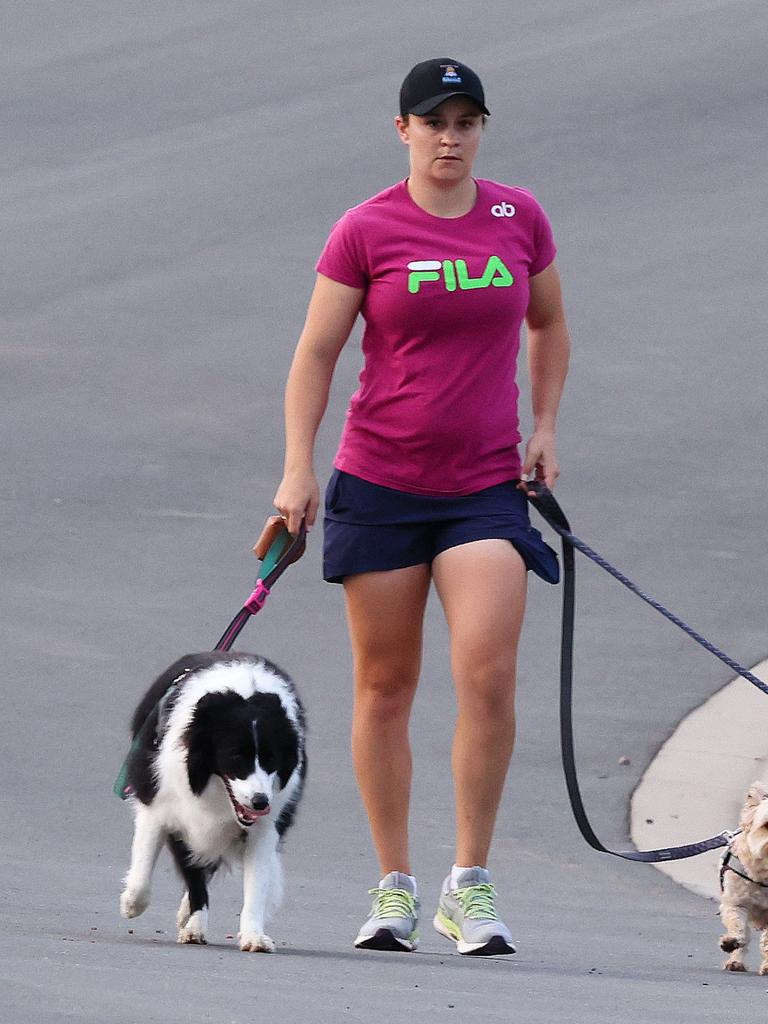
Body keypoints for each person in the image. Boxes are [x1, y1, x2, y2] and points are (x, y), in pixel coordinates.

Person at [273, 57, 570, 956]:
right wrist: (298, 468)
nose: (451, 137)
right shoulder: (367, 229)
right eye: (434, 122)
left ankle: (468, 883)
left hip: (485, 485)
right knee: (385, 686)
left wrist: (544, 424)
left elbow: (548, 323)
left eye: (467, 122)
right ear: (402, 130)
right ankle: (394, 884)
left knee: (488, 674)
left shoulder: (519, 219)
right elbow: (318, 352)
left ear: (482, 130)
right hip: (382, 483)